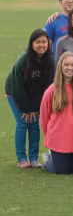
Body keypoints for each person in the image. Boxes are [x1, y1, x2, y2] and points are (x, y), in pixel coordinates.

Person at [5, 29, 55, 168]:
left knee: (34, 125)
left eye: (44, 42)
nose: (41, 45)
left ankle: (33, 159)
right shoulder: (24, 59)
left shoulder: (50, 60)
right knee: (22, 122)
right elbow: (17, 86)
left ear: (48, 43)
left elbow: (47, 87)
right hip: (15, 93)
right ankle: (22, 159)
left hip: (36, 95)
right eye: (37, 42)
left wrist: (35, 107)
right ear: (32, 44)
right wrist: (26, 108)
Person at [40, 52, 73, 174]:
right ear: (60, 66)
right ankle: (47, 160)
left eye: (72, 65)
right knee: (61, 171)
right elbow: (44, 117)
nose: (69, 68)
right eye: (66, 65)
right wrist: (48, 138)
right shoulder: (51, 90)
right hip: (58, 140)